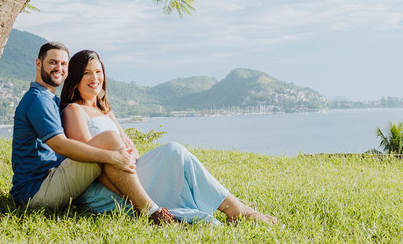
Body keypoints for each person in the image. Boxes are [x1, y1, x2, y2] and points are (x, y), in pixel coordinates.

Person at [60, 49, 276, 225]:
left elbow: (130, 147)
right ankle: (236, 209)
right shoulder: (74, 110)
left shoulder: (105, 109)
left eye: (98, 72)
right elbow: (87, 162)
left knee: (176, 157)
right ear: (76, 77)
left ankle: (233, 206)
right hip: (110, 187)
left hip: (129, 172)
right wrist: (130, 190)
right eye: (87, 73)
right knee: (174, 151)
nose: (94, 78)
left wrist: (132, 158)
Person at [10, 41, 178, 224]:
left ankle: (142, 199)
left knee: (110, 141)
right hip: (36, 192)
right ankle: (152, 212)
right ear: (38, 63)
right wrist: (111, 156)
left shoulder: (51, 100)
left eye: (63, 64)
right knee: (108, 139)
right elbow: (60, 145)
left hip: (52, 177)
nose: (58, 68)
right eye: (53, 62)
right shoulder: (38, 100)